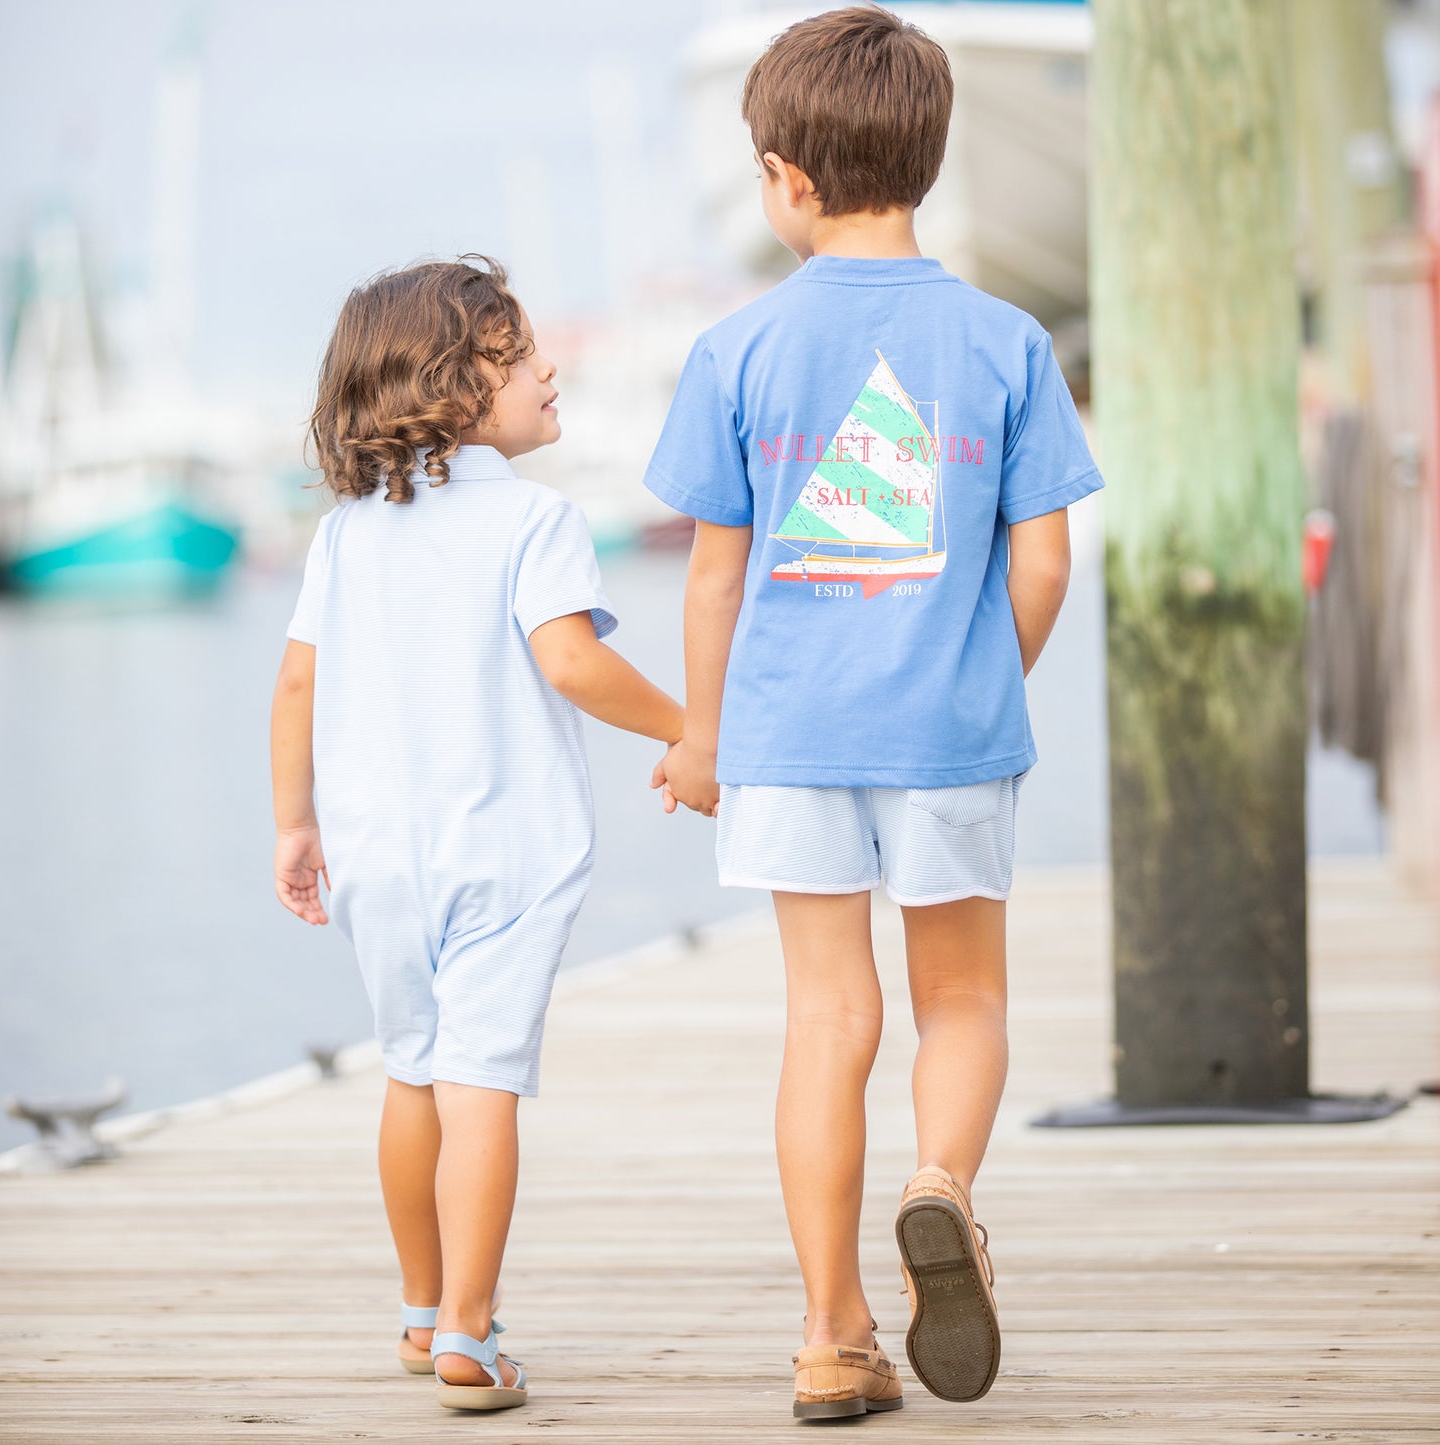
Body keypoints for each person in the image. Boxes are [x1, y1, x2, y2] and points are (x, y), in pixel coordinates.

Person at [647, 6, 1101, 1422]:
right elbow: (1044, 556)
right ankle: (941, 1189)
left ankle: (832, 1335)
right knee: (958, 998)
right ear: (935, 153)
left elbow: (714, 579)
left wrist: (703, 737)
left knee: (825, 1017)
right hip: (948, 729)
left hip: (786, 734)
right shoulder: (1009, 338)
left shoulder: (736, 349)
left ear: (781, 177)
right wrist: (981, 679)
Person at [270, 257, 682, 1414]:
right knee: (481, 1080)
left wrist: (294, 822)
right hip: (502, 855)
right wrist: (687, 726)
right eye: (519, 355)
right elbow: (571, 660)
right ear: (456, 385)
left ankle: (416, 1310)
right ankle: (468, 1328)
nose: (550, 369)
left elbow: (295, 687)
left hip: (378, 857)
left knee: (412, 1070)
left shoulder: (348, 531)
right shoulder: (535, 517)